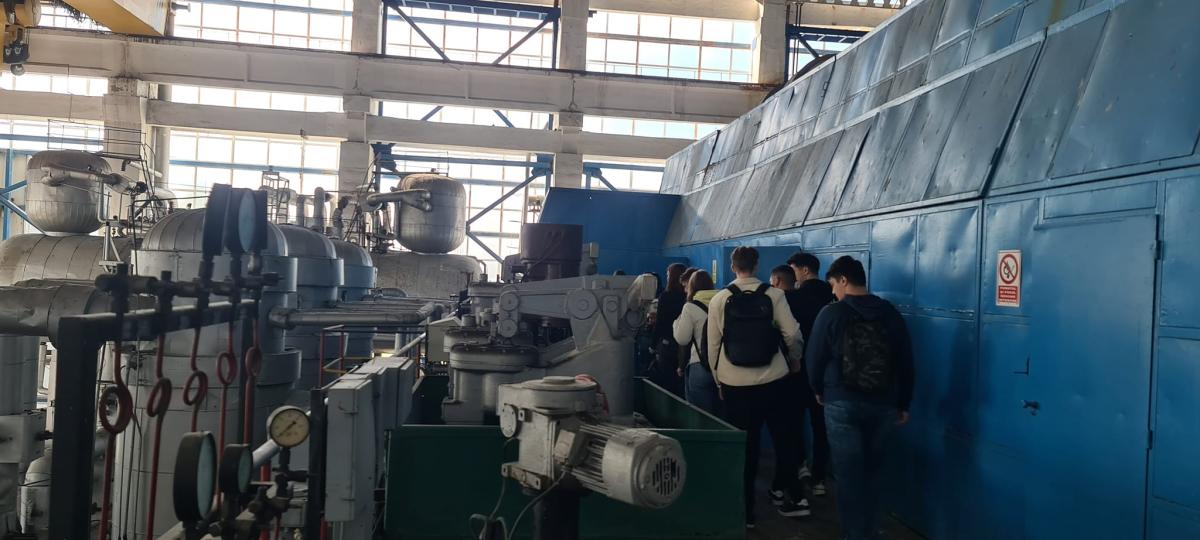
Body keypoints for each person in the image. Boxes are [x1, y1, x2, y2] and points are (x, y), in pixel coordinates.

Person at [805, 256, 915, 540]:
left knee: (848, 475)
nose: (833, 291)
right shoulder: (890, 313)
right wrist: (904, 402)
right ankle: (871, 532)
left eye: (833, 284)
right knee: (874, 474)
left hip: (841, 401)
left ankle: (854, 535)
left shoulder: (831, 313)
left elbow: (814, 357)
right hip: (883, 402)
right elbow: (905, 360)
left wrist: (818, 389)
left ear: (843, 280)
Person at [707, 247, 808, 527]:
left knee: (745, 448)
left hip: (735, 383)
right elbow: (793, 334)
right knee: (783, 439)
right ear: (757, 265)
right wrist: (795, 360)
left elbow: (713, 345)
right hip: (774, 380)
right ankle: (795, 498)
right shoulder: (774, 295)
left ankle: (746, 512)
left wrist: (718, 379)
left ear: (732, 267)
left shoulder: (720, 299)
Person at [783, 252, 837, 495]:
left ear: (805, 270)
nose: (793, 274)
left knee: (793, 421)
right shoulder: (833, 294)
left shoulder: (792, 297)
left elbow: (788, 334)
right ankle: (819, 478)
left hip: (797, 369)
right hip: (827, 371)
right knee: (820, 425)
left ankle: (800, 466)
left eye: (794, 269)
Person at [672, 270, 720, 416]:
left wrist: (676, 323)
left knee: (700, 414)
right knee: (721, 414)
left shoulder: (690, 307)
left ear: (692, 286)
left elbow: (682, 339)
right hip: (723, 365)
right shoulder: (722, 301)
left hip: (700, 364)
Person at [650, 263, 688, 396]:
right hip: (684, 346)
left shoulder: (665, 296)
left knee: (666, 383)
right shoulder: (687, 297)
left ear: (671, 277)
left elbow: (660, 323)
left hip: (666, 344)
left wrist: (652, 345)